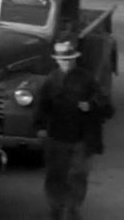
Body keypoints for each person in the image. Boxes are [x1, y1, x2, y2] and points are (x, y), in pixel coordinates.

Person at [34, 41, 114, 220]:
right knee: (55, 174)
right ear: (57, 61)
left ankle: (73, 209)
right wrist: (39, 127)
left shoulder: (88, 79)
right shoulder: (50, 81)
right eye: (64, 60)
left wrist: (91, 105)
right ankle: (56, 207)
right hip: (57, 136)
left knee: (79, 175)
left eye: (70, 59)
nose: (67, 63)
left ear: (75, 59)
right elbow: (41, 107)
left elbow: (107, 108)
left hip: (82, 138)